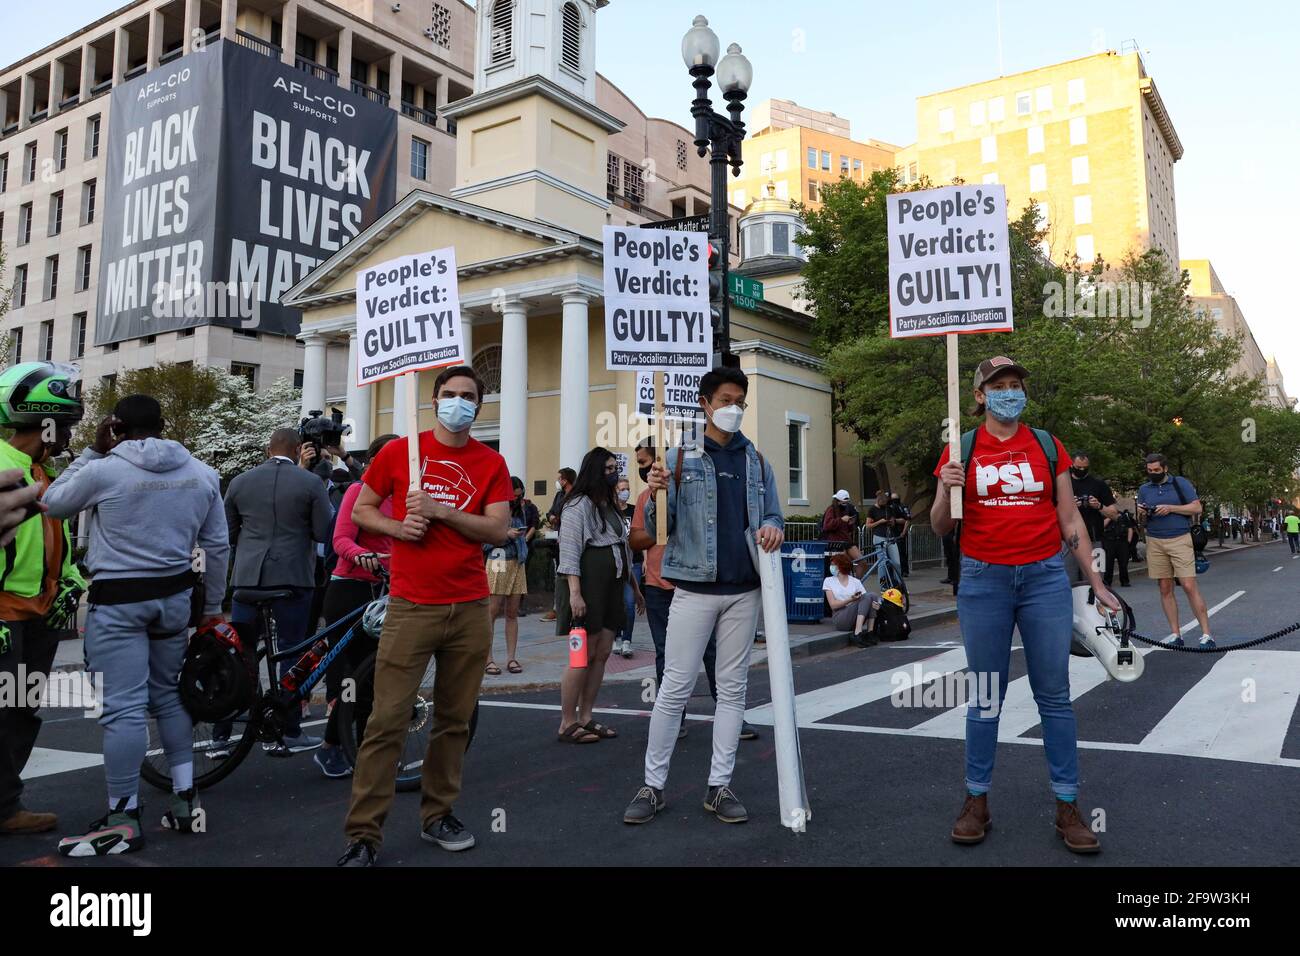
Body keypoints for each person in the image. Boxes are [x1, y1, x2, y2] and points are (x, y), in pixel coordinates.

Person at [931, 355, 1118, 855]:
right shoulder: (961, 448)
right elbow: (940, 526)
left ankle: (1067, 805)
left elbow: (1069, 518)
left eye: (1015, 385)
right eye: (999, 386)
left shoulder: (1045, 444)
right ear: (979, 396)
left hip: (1043, 579)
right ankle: (976, 802)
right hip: (982, 579)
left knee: (1054, 696)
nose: (1009, 392)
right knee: (986, 695)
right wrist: (947, 489)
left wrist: (1097, 583)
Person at [337, 366, 511, 866]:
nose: (459, 402)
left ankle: (438, 814)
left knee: (454, 721)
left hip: (471, 604)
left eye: (469, 396)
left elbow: (497, 530)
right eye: (450, 394)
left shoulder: (490, 462)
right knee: (387, 720)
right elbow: (362, 512)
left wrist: (440, 511)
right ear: (434, 400)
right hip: (412, 604)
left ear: (479, 405)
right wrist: (397, 526)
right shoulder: (396, 453)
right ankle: (364, 835)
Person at [43, 395, 230, 855]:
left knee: (123, 709)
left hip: (120, 602)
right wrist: (214, 608)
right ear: (163, 426)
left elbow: (52, 503)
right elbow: (218, 544)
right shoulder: (202, 473)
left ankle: (123, 817)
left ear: (117, 427)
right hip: (175, 601)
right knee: (169, 695)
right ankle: (186, 799)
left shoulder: (105, 469)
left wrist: (91, 451)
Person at [624, 366, 783, 827]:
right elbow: (652, 532)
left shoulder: (757, 461)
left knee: (732, 692)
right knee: (674, 688)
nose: (734, 408)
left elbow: (771, 512)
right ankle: (652, 786)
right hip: (692, 589)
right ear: (705, 403)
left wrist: (772, 525)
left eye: (741, 401)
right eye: (726, 399)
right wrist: (655, 495)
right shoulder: (677, 459)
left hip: (743, 591)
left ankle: (720, 785)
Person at [0, 362, 87, 839]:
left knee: (21, 711)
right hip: (6, 615)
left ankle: (6, 805)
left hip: (40, 614)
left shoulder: (40, 472)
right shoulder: (3, 467)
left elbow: (58, 542)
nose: (68, 434)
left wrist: (70, 582)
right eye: (65, 424)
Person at [628, 441, 757, 743]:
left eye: (648, 461)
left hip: (696, 584)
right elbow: (635, 541)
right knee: (666, 655)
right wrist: (661, 519)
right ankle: (675, 717)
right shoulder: (647, 497)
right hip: (660, 585)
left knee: (713, 651)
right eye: (641, 463)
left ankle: (731, 717)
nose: (645, 467)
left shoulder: (700, 494)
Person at [220, 427, 333, 756]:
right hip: (293, 576)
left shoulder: (240, 482)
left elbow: (227, 532)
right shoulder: (310, 482)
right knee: (293, 651)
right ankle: (290, 729)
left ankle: (223, 730)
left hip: (248, 579)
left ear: (268, 449)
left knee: (240, 652)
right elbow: (322, 530)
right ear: (299, 449)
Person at [314, 433, 398, 780]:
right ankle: (333, 747)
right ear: (377, 460)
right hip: (349, 589)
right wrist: (365, 557)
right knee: (357, 675)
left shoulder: (402, 499)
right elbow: (341, 540)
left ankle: (361, 748)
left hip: (381, 594)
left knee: (372, 675)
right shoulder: (356, 491)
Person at [555, 447, 643, 743]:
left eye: (613, 468)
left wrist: (635, 587)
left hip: (614, 587)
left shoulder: (611, 505)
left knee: (603, 652)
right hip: (589, 587)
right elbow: (569, 552)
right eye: (606, 469)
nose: (613, 473)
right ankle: (567, 721)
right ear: (594, 471)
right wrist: (575, 594)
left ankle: (586, 715)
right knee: (581, 656)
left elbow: (623, 546)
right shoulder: (576, 505)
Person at [1136, 453, 1214, 649]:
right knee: (1164, 587)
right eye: (1149, 471)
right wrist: (1143, 513)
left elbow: (1196, 508)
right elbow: (1141, 519)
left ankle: (1207, 635)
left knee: (1188, 585)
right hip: (1154, 540)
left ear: (1165, 468)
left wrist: (1170, 508)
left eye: (1156, 470)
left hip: (1179, 538)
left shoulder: (1180, 483)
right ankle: (1175, 634)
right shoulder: (1144, 489)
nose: (1153, 473)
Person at [485, 476, 536, 676]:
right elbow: (485, 539)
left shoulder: (522, 510)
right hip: (498, 561)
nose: (518, 498)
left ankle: (511, 657)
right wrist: (506, 534)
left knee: (512, 613)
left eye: (520, 495)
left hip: (517, 562)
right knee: (492, 612)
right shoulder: (495, 509)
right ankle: (488, 659)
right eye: (514, 495)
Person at [540, 468, 576, 623]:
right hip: (558, 541)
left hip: (572, 540)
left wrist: (559, 518)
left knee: (572, 575)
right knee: (559, 575)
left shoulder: (576, 496)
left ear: (565, 480)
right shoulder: (559, 495)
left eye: (559, 478)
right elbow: (550, 512)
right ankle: (558, 608)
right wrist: (552, 517)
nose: (558, 481)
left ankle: (572, 608)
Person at [824, 551, 881, 646]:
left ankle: (870, 632)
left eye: (834, 565)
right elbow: (833, 605)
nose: (831, 567)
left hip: (856, 616)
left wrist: (877, 605)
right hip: (841, 617)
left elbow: (867, 601)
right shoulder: (828, 581)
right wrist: (851, 599)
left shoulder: (855, 582)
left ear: (841, 566)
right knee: (867, 596)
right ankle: (857, 633)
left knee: (872, 596)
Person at [613, 475, 639, 658]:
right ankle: (617, 637)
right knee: (616, 602)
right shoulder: (610, 511)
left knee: (630, 602)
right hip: (615, 563)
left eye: (627, 488)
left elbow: (642, 533)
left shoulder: (635, 510)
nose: (626, 492)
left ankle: (627, 640)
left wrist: (644, 559)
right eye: (622, 489)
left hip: (634, 562)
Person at [820, 490, 860, 558]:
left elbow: (848, 528)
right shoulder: (831, 509)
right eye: (844, 502)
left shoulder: (847, 509)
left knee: (861, 560)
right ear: (838, 501)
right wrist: (841, 520)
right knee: (845, 562)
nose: (846, 504)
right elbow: (826, 526)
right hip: (836, 542)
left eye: (847, 502)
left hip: (846, 540)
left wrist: (850, 523)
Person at [1101, 508, 1133, 588]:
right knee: (1109, 563)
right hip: (1109, 541)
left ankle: (1124, 581)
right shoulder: (1104, 515)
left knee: (1123, 563)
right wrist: (1110, 517)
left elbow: (1130, 528)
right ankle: (1107, 582)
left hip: (1122, 541)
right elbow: (1101, 526)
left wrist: (1128, 541)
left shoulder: (1123, 515)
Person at [889, 492, 912, 576]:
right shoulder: (890, 508)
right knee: (894, 552)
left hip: (900, 532)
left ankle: (904, 571)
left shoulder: (903, 507)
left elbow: (907, 520)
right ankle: (896, 571)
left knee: (901, 552)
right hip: (892, 532)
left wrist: (903, 532)